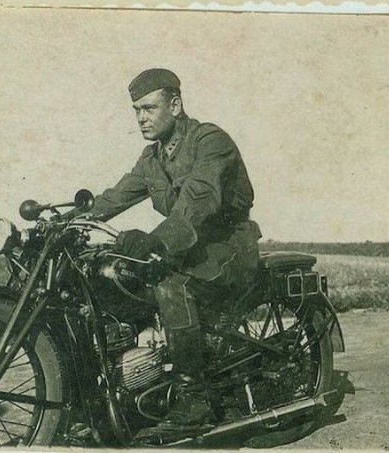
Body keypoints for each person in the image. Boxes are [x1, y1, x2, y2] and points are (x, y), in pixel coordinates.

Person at [90, 68, 262, 429]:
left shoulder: (210, 141)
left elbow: (199, 200)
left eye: (149, 108)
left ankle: (193, 399)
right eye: (136, 110)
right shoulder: (151, 158)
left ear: (175, 105)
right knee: (118, 277)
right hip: (187, 247)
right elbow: (114, 197)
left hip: (228, 245)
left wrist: (155, 240)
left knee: (170, 285)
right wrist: (64, 218)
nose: (141, 118)